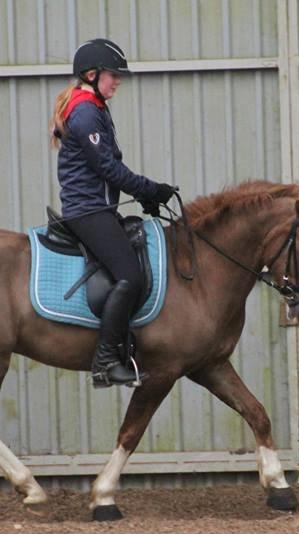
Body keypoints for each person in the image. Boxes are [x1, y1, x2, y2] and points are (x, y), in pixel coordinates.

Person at [51, 38, 175, 388]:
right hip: (88, 211)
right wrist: (151, 190)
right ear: (92, 75)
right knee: (131, 277)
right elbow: (107, 167)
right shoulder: (86, 111)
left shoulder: (93, 106)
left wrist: (146, 197)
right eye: (112, 75)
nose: (117, 81)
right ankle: (105, 361)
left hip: (99, 206)